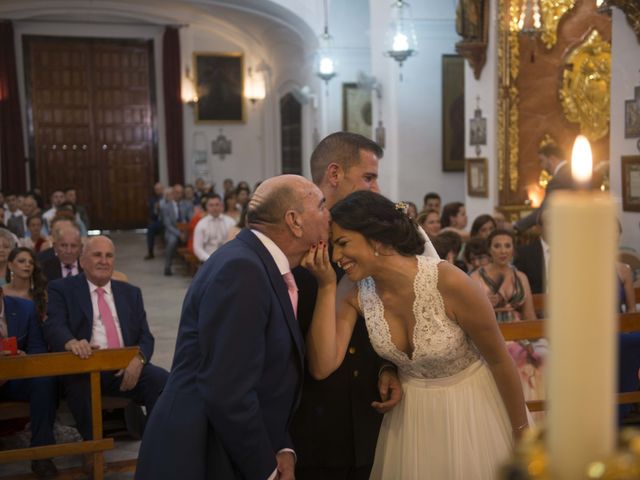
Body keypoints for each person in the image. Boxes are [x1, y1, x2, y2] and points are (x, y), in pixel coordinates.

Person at [303, 191, 529, 479]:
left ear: (376, 238)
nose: (336, 256)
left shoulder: (450, 282)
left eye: (343, 243)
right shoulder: (352, 289)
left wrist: (520, 432)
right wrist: (326, 287)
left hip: (473, 409)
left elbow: (500, 360)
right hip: (411, 421)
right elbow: (322, 365)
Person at [136, 175, 330, 479]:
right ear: (294, 221)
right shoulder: (243, 270)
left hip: (227, 440)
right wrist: (266, 470)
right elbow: (228, 390)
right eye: (322, 206)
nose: (329, 215)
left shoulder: (259, 263)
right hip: (201, 449)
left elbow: (267, 377)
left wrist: (281, 445)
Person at [291, 131, 402, 480]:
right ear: (334, 175)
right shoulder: (295, 243)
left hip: (371, 418)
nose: (376, 190)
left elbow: (391, 311)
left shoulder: (379, 240)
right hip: (315, 423)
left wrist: (388, 366)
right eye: (368, 178)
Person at [43, 235, 169, 443]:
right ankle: (93, 451)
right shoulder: (61, 289)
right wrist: (72, 342)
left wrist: (139, 359)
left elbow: (146, 336)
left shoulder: (131, 293)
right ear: (82, 261)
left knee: (164, 382)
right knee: (81, 391)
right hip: (84, 366)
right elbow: (54, 325)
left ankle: (154, 442)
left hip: (123, 368)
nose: (104, 260)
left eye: (109, 256)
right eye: (97, 255)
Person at [470, 229, 545, 405]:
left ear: (513, 249)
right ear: (489, 250)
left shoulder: (521, 277)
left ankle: (535, 416)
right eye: (497, 246)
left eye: (507, 246)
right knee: (512, 355)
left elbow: (529, 315)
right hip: (489, 332)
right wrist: (485, 303)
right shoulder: (475, 277)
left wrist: (534, 338)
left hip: (519, 333)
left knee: (543, 358)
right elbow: (470, 317)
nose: (503, 251)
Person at [0, 287, 59, 478]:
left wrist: (23, 362)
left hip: (19, 377)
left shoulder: (25, 308)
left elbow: (38, 351)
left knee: (45, 380)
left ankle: (42, 454)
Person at [514, 144, 574, 233]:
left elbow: (545, 210)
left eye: (542, 161)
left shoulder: (558, 180)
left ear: (552, 159)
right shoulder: (573, 171)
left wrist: (516, 225)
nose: (542, 166)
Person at [3, 247, 48, 319]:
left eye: (31, 262)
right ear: (10, 265)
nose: (27, 265)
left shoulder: (41, 293)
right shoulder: (2, 292)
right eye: (21, 261)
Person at [192, 194, 236, 262]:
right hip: (208, 260)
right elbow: (197, 248)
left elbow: (235, 243)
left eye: (217, 204)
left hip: (228, 259)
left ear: (222, 206)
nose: (214, 208)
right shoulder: (201, 224)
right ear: (207, 207)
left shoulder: (231, 222)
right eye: (211, 205)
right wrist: (209, 259)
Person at [144, 182, 165, 260]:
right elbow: (152, 214)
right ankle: (150, 252)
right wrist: (156, 209)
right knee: (150, 228)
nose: (158, 191)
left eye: (160, 189)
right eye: (156, 189)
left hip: (168, 221)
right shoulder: (152, 199)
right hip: (158, 221)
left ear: (163, 189)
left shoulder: (167, 197)